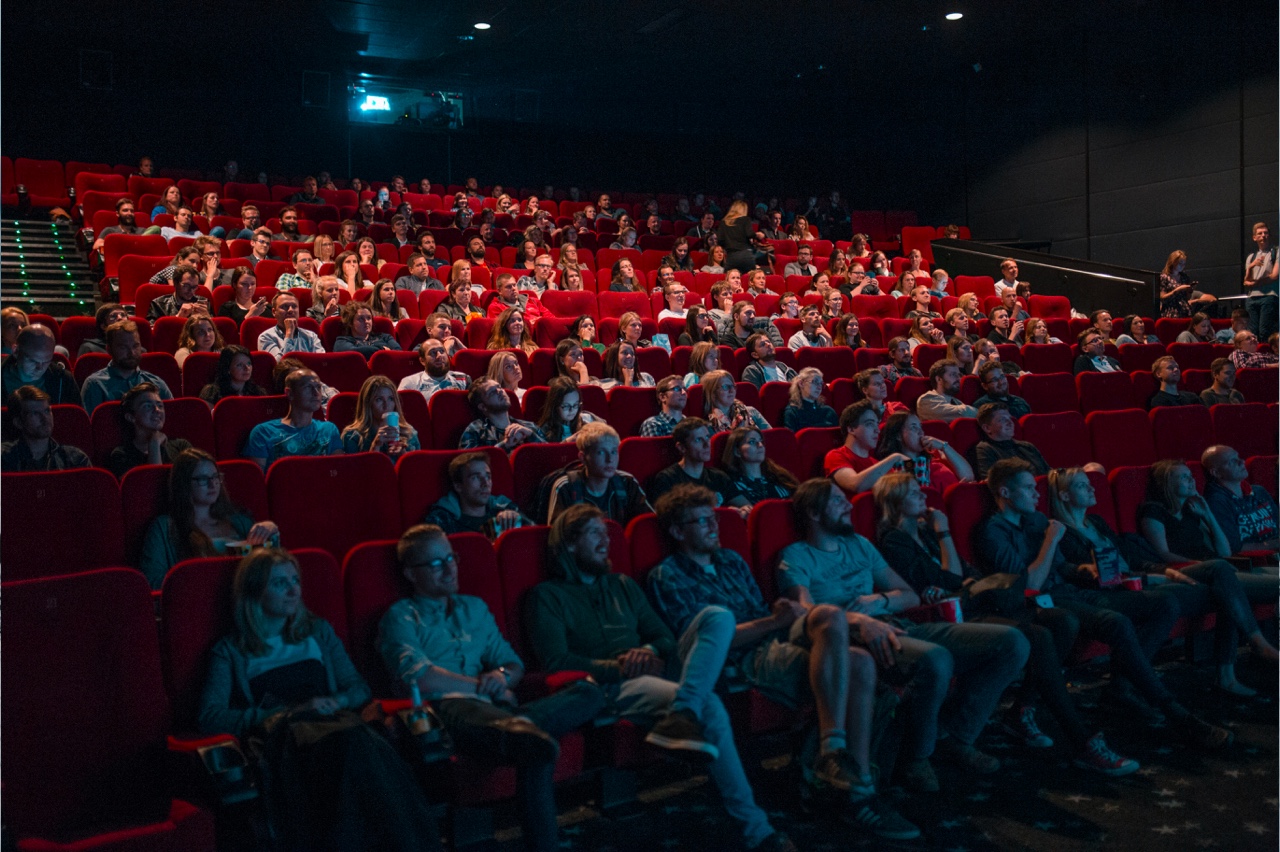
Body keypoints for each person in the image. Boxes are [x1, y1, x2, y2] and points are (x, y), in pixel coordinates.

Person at [526, 505, 802, 852]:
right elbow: (557, 661)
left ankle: (682, 712)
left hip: (657, 668)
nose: (606, 541)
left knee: (717, 616)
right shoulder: (547, 596)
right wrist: (620, 666)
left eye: (607, 533)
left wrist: (647, 650)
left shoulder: (622, 585)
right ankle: (757, 831)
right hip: (612, 684)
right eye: (594, 533)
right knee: (712, 705)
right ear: (568, 544)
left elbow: (666, 640)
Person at [874, 473, 1139, 775]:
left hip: (980, 601)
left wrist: (958, 569)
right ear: (894, 503)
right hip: (956, 614)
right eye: (912, 493)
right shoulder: (895, 540)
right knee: (1037, 637)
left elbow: (965, 572)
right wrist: (946, 534)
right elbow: (948, 579)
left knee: (1062, 621)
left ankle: (1023, 709)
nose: (923, 495)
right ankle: (1081, 739)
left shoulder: (927, 531)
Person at [779, 478, 1029, 788]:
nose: (848, 505)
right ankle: (918, 757)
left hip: (899, 623)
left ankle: (955, 735)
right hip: (856, 639)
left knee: (1012, 642)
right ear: (814, 514)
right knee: (936, 659)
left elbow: (909, 595)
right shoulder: (796, 555)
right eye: (837, 501)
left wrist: (879, 599)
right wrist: (858, 620)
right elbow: (807, 614)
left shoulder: (860, 544)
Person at [976, 459, 1234, 747]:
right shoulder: (993, 532)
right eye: (1028, 488)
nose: (1037, 495)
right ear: (1005, 493)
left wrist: (1084, 570)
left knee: (1163, 603)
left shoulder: (1036, 520)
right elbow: (1031, 585)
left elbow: (1061, 569)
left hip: (1070, 591)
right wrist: (1051, 540)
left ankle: (1121, 688)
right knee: (1116, 622)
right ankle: (1175, 712)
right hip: (1040, 604)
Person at [201, 547, 442, 851]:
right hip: (287, 738)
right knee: (357, 746)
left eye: (295, 580)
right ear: (254, 592)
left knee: (356, 745)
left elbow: (357, 688)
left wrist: (337, 701)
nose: (293, 590)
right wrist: (284, 712)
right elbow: (211, 716)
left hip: (336, 725)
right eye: (280, 583)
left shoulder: (317, 631)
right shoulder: (231, 651)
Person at [383, 524, 605, 852]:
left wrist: (500, 678)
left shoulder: (474, 608)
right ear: (410, 574)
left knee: (589, 692)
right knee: (532, 744)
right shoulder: (401, 616)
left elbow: (512, 664)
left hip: (498, 709)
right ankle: (523, 735)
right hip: (448, 711)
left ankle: (522, 730)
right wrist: (481, 686)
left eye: (451, 558)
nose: (449, 568)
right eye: (435, 564)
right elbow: (417, 677)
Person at [137, 448, 278, 587]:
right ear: (184, 483)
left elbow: (271, 568)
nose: (212, 484)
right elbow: (153, 581)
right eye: (203, 479)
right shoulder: (164, 527)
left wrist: (271, 532)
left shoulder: (239, 521)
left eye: (215, 477)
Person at [545, 423, 651, 524]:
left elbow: (647, 523)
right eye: (601, 452)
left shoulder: (627, 482)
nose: (610, 459)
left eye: (614, 452)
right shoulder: (566, 487)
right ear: (583, 457)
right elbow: (558, 537)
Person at [646, 417, 750, 515]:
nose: (707, 444)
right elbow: (668, 519)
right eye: (698, 440)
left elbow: (746, 506)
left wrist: (742, 511)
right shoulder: (668, 479)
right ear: (681, 447)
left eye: (707, 437)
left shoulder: (718, 477)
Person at [245, 369, 343, 470]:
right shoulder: (263, 432)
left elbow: (338, 473)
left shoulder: (329, 429)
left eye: (318, 387)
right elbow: (258, 480)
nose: (316, 393)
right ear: (290, 393)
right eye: (308, 387)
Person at [422, 454, 530, 537]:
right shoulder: (443, 520)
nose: (485, 483)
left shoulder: (504, 508)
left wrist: (518, 518)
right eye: (476, 477)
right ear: (458, 486)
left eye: (488, 477)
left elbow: (532, 533)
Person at [1202, 444, 1279, 558]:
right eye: (1232, 461)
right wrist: (1273, 545)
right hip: (1251, 562)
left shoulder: (1259, 491)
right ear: (1216, 473)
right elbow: (1234, 547)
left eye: (1238, 457)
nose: (1242, 462)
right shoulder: (1216, 502)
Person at [81, 321, 173, 413]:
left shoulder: (157, 384)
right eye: (123, 347)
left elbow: (172, 420)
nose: (131, 353)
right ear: (109, 350)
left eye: (135, 346)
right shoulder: (95, 384)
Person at [825, 401, 913, 496]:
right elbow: (855, 485)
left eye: (877, 424)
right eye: (870, 424)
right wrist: (895, 458)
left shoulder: (876, 464)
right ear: (851, 429)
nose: (877, 430)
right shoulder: (836, 455)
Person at [876, 411, 973, 494]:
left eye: (920, 427)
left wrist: (944, 446)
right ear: (898, 435)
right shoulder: (893, 469)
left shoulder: (936, 455)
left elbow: (968, 477)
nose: (921, 432)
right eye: (914, 427)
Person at [1, 386, 91, 471]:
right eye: (35, 413)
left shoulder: (75, 460)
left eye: (47, 411)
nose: (45, 418)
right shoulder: (4, 458)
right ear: (18, 423)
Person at [1, 324, 82, 407]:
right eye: (33, 361)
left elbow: (76, 417)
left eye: (46, 361)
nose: (39, 368)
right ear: (15, 351)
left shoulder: (63, 380)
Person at [339, 375, 420, 456]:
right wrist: (375, 447)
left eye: (391, 399)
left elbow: (417, 467)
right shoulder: (352, 436)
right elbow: (356, 468)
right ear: (368, 404)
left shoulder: (408, 433)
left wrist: (403, 455)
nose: (386, 405)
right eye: (379, 399)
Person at [971, 402, 1054, 478]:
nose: (1010, 423)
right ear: (987, 428)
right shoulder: (985, 449)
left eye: (1010, 418)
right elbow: (992, 482)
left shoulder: (1027, 446)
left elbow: (1048, 473)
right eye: (1003, 419)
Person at [459, 379, 544, 451]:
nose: (499, 391)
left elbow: (552, 454)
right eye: (492, 392)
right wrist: (504, 445)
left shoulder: (529, 427)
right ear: (483, 406)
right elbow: (470, 464)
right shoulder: (475, 430)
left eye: (499, 387)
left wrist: (531, 435)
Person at [721, 426, 799, 504]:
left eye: (761, 441)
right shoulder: (732, 485)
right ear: (737, 451)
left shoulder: (778, 476)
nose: (760, 445)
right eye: (752, 442)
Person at [397, 338, 470, 404]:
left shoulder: (463, 378)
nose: (439, 356)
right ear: (422, 361)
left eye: (442, 351)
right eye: (433, 352)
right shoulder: (410, 383)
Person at [257, 292, 324, 357]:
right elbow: (279, 365)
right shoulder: (266, 337)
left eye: (294, 306)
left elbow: (321, 362)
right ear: (274, 312)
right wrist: (289, 333)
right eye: (285, 306)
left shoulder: (311, 336)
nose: (290, 310)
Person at [536, 375, 600, 443]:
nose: (572, 410)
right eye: (566, 406)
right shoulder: (546, 430)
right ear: (555, 405)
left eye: (575, 405)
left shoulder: (584, 421)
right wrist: (566, 442)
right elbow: (548, 452)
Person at [702, 369, 770, 432]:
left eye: (733, 386)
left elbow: (770, 438)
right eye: (726, 387)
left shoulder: (751, 411)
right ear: (713, 392)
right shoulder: (708, 424)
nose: (732, 391)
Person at [1243, 221, 1278, 341]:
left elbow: (1274, 276)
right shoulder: (1251, 257)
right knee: (1253, 332)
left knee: (1265, 332)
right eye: (1260, 233)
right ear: (1254, 237)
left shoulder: (1276, 252)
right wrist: (1252, 266)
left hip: (1269, 296)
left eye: (1265, 233)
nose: (1263, 235)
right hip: (1252, 298)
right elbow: (1246, 281)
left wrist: (1254, 283)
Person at [199, 345, 265, 406]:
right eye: (239, 365)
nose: (247, 368)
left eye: (249, 363)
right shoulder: (212, 393)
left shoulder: (258, 392)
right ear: (227, 368)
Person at [333, 301, 399, 357]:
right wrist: (382, 349)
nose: (366, 321)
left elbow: (399, 352)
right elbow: (354, 353)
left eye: (369, 318)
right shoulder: (342, 341)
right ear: (350, 323)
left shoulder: (385, 337)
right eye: (361, 319)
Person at [1159, 250, 1211, 318]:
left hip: (1185, 309)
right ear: (1173, 262)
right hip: (1171, 311)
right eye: (1180, 263)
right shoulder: (1164, 277)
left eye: (1184, 264)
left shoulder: (1184, 277)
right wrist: (1178, 290)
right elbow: (1162, 298)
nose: (1182, 266)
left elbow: (1187, 297)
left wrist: (1190, 290)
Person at [715, 201, 758, 274]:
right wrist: (757, 235)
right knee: (751, 280)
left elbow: (720, 240)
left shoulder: (724, 222)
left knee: (729, 281)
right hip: (746, 255)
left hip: (732, 256)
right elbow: (749, 234)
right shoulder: (745, 220)